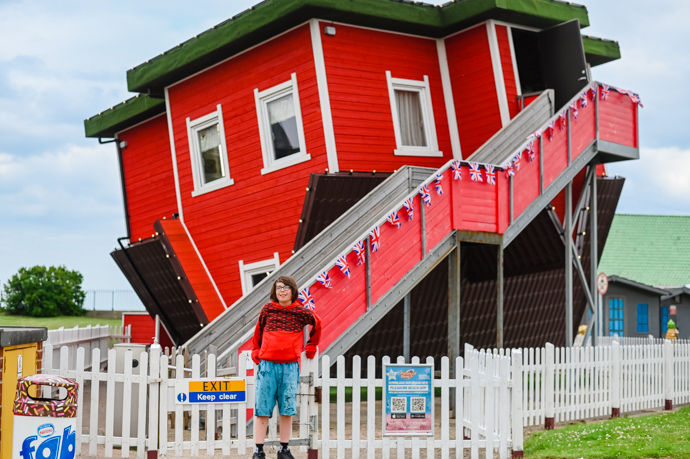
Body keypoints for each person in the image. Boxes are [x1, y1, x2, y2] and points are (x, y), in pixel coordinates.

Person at [251, 275, 321, 459]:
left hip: (290, 367)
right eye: (278, 287)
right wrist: (256, 350)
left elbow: (317, 324)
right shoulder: (267, 309)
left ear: (293, 290)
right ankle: (259, 451)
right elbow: (258, 331)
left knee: (287, 409)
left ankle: (284, 449)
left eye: (285, 287)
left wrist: (311, 346)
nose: (281, 290)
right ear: (274, 292)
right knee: (262, 409)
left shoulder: (301, 312)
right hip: (267, 366)